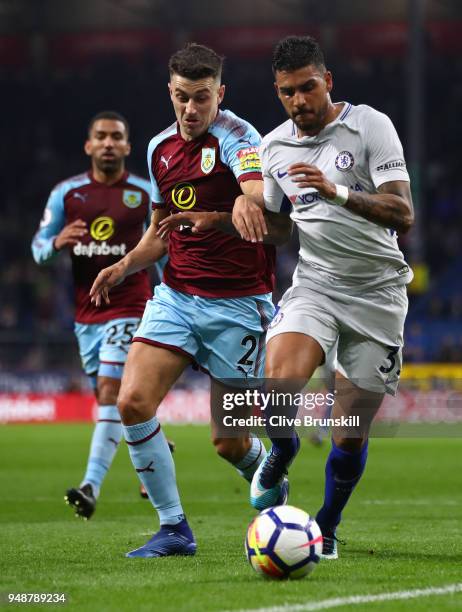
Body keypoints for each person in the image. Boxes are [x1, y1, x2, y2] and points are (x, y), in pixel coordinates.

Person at [90, 44, 279, 558]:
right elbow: (160, 233)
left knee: (229, 444)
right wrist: (125, 264)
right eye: (181, 98)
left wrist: (244, 197)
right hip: (175, 295)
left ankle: (266, 466)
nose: (190, 110)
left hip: (238, 304)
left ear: (220, 93)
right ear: (169, 93)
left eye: (201, 98)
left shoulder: (240, 136)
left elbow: (256, 191)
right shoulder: (158, 149)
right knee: (131, 402)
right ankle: (174, 528)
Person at [231, 35, 414, 560]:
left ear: (327, 81)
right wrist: (246, 218)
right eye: (288, 92)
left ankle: (326, 526)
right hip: (315, 283)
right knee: (277, 384)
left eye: (308, 88)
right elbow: (277, 226)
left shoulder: (369, 126)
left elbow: (404, 214)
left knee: (348, 435)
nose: (299, 101)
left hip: (378, 293)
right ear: (278, 92)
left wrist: (336, 191)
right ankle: (281, 451)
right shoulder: (273, 147)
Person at [31, 110, 167, 519]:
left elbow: (161, 254)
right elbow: (37, 248)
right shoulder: (66, 194)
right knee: (116, 402)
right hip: (85, 316)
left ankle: (90, 486)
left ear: (128, 146)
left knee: (110, 393)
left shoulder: (145, 193)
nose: (109, 143)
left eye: (117, 137)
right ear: (89, 145)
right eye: (101, 137)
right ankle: (154, 446)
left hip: (133, 306)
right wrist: (56, 241)